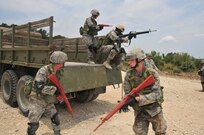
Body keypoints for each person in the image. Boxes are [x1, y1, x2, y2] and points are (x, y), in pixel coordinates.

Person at [122, 49, 167, 135]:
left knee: (160, 131)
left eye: (131, 60)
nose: (129, 63)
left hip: (154, 110)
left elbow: (157, 94)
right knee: (139, 132)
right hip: (140, 111)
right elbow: (128, 94)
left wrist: (139, 99)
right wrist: (125, 102)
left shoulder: (152, 74)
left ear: (139, 60)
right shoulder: (129, 75)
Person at [26, 51, 68, 135]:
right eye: (62, 63)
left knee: (55, 118)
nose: (63, 65)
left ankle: (57, 133)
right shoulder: (43, 71)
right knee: (33, 124)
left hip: (48, 100)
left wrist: (59, 94)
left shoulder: (58, 71)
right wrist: (54, 90)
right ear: (57, 62)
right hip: (37, 100)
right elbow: (38, 87)